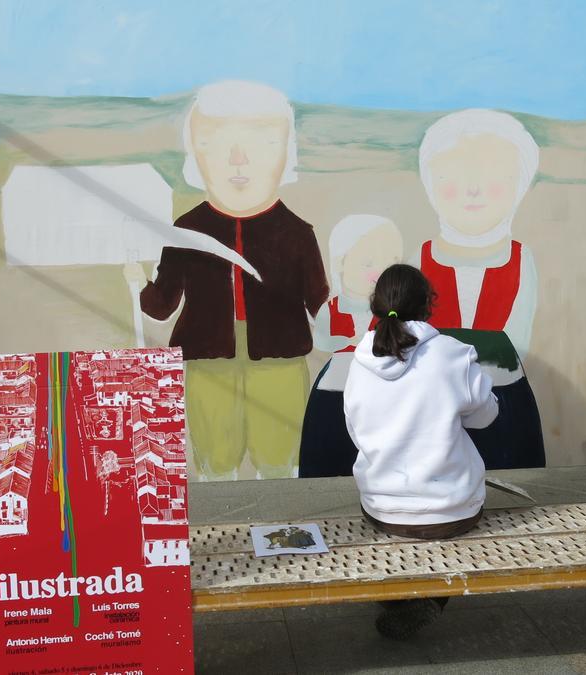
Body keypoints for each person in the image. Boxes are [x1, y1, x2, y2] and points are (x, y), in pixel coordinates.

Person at [124, 80, 329, 480]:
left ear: (285, 154)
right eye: (219, 145)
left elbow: (319, 302)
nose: (238, 160)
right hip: (207, 363)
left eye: (258, 144)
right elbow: (163, 304)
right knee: (215, 463)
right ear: (197, 155)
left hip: (280, 362)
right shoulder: (187, 228)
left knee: (280, 461)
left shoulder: (297, 231)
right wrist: (141, 282)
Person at [344, 264, 496, 638]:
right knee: (457, 514)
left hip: (384, 509)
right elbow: (486, 416)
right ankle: (426, 599)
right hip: (452, 510)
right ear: (428, 304)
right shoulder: (453, 354)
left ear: (376, 305)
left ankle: (400, 601)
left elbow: (355, 428)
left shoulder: (359, 361)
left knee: (394, 524)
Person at [416, 108, 546, 469]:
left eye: (491, 176)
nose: (473, 189)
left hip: (502, 392)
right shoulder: (420, 257)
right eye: (453, 175)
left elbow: (517, 340)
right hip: (435, 400)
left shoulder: (521, 259)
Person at [299, 215, 403, 478]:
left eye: (390, 263)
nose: (379, 271)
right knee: (332, 451)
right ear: (341, 263)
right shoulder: (331, 308)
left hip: (382, 393)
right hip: (337, 387)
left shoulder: (392, 311)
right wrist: (346, 343)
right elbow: (321, 341)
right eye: (368, 263)